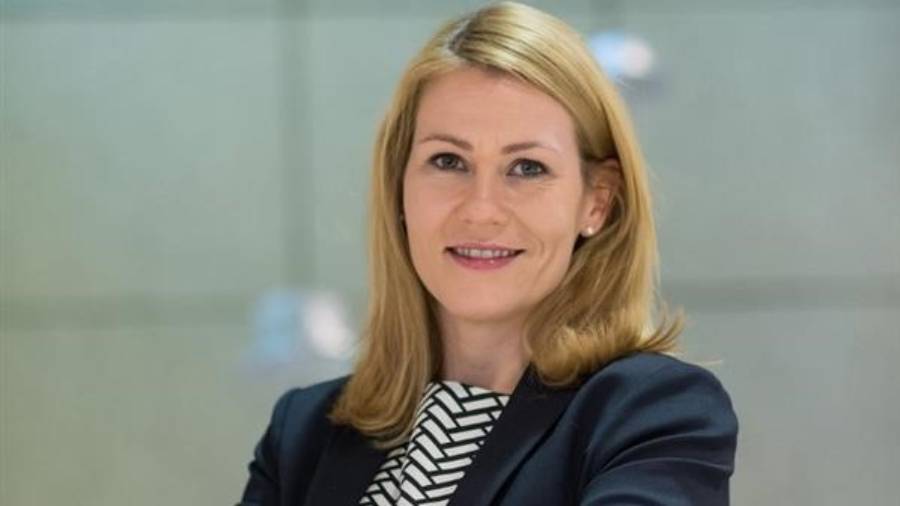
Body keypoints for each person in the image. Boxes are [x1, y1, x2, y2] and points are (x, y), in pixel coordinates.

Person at [238, 2, 738, 505]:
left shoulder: (656, 415)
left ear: (597, 201)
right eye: (448, 161)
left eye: (527, 168)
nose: (481, 210)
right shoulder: (303, 434)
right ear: (399, 188)